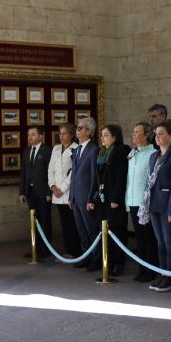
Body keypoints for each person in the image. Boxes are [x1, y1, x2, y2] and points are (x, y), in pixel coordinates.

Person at [140, 122, 171, 292]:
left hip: (167, 206)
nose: (157, 137)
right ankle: (163, 273)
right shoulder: (154, 156)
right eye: (156, 134)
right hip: (154, 205)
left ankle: (170, 276)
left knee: (169, 242)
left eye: (161, 133)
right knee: (160, 242)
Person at [93, 124, 130, 276]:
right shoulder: (101, 152)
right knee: (104, 231)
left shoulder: (121, 151)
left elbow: (121, 177)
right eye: (101, 135)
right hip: (102, 197)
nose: (102, 138)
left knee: (117, 231)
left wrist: (115, 198)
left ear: (115, 137)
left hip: (114, 199)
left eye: (106, 135)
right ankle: (107, 261)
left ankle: (119, 263)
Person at [125, 122, 159, 282]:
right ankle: (142, 269)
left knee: (148, 238)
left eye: (137, 132)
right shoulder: (133, 153)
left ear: (146, 135)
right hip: (132, 200)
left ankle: (151, 270)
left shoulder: (153, 153)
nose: (133, 135)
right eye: (133, 132)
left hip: (145, 202)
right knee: (140, 238)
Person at [70, 116, 100, 271]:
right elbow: (74, 175)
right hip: (76, 197)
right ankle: (86, 257)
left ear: (89, 131)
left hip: (87, 197)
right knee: (81, 230)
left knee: (92, 230)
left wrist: (90, 199)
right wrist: (71, 196)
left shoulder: (94, 150)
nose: (77, 130)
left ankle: (96, 259)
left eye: (80, 128)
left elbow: (95, 177)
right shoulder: (77, 149)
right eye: (77, 127)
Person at [19, 126, 53, 259]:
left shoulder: (47, 150)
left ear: (41, 136)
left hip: (44, 192)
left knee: (44, 221)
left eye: (33, 134)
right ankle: (35, 248)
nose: (30, 137)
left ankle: (45, 249)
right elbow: (24, 173)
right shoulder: (26, 151)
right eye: (28, 135)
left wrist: (49, 192)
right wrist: (22, 192)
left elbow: (51, 172)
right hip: (30, 192)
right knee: (34, 221)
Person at [48, 123, 81, 258]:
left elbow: (74, 172)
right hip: (56, 193)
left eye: (64, 133)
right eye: (60, 133)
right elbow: (51, 170)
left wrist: (62, 189)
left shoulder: (76, 148)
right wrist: (53, 186)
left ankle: (76, 252)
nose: (61, 136)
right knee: (64, 224)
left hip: (68, 193)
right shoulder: (56, 149)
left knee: (73, 224)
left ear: (72, 135)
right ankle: (68, 251)